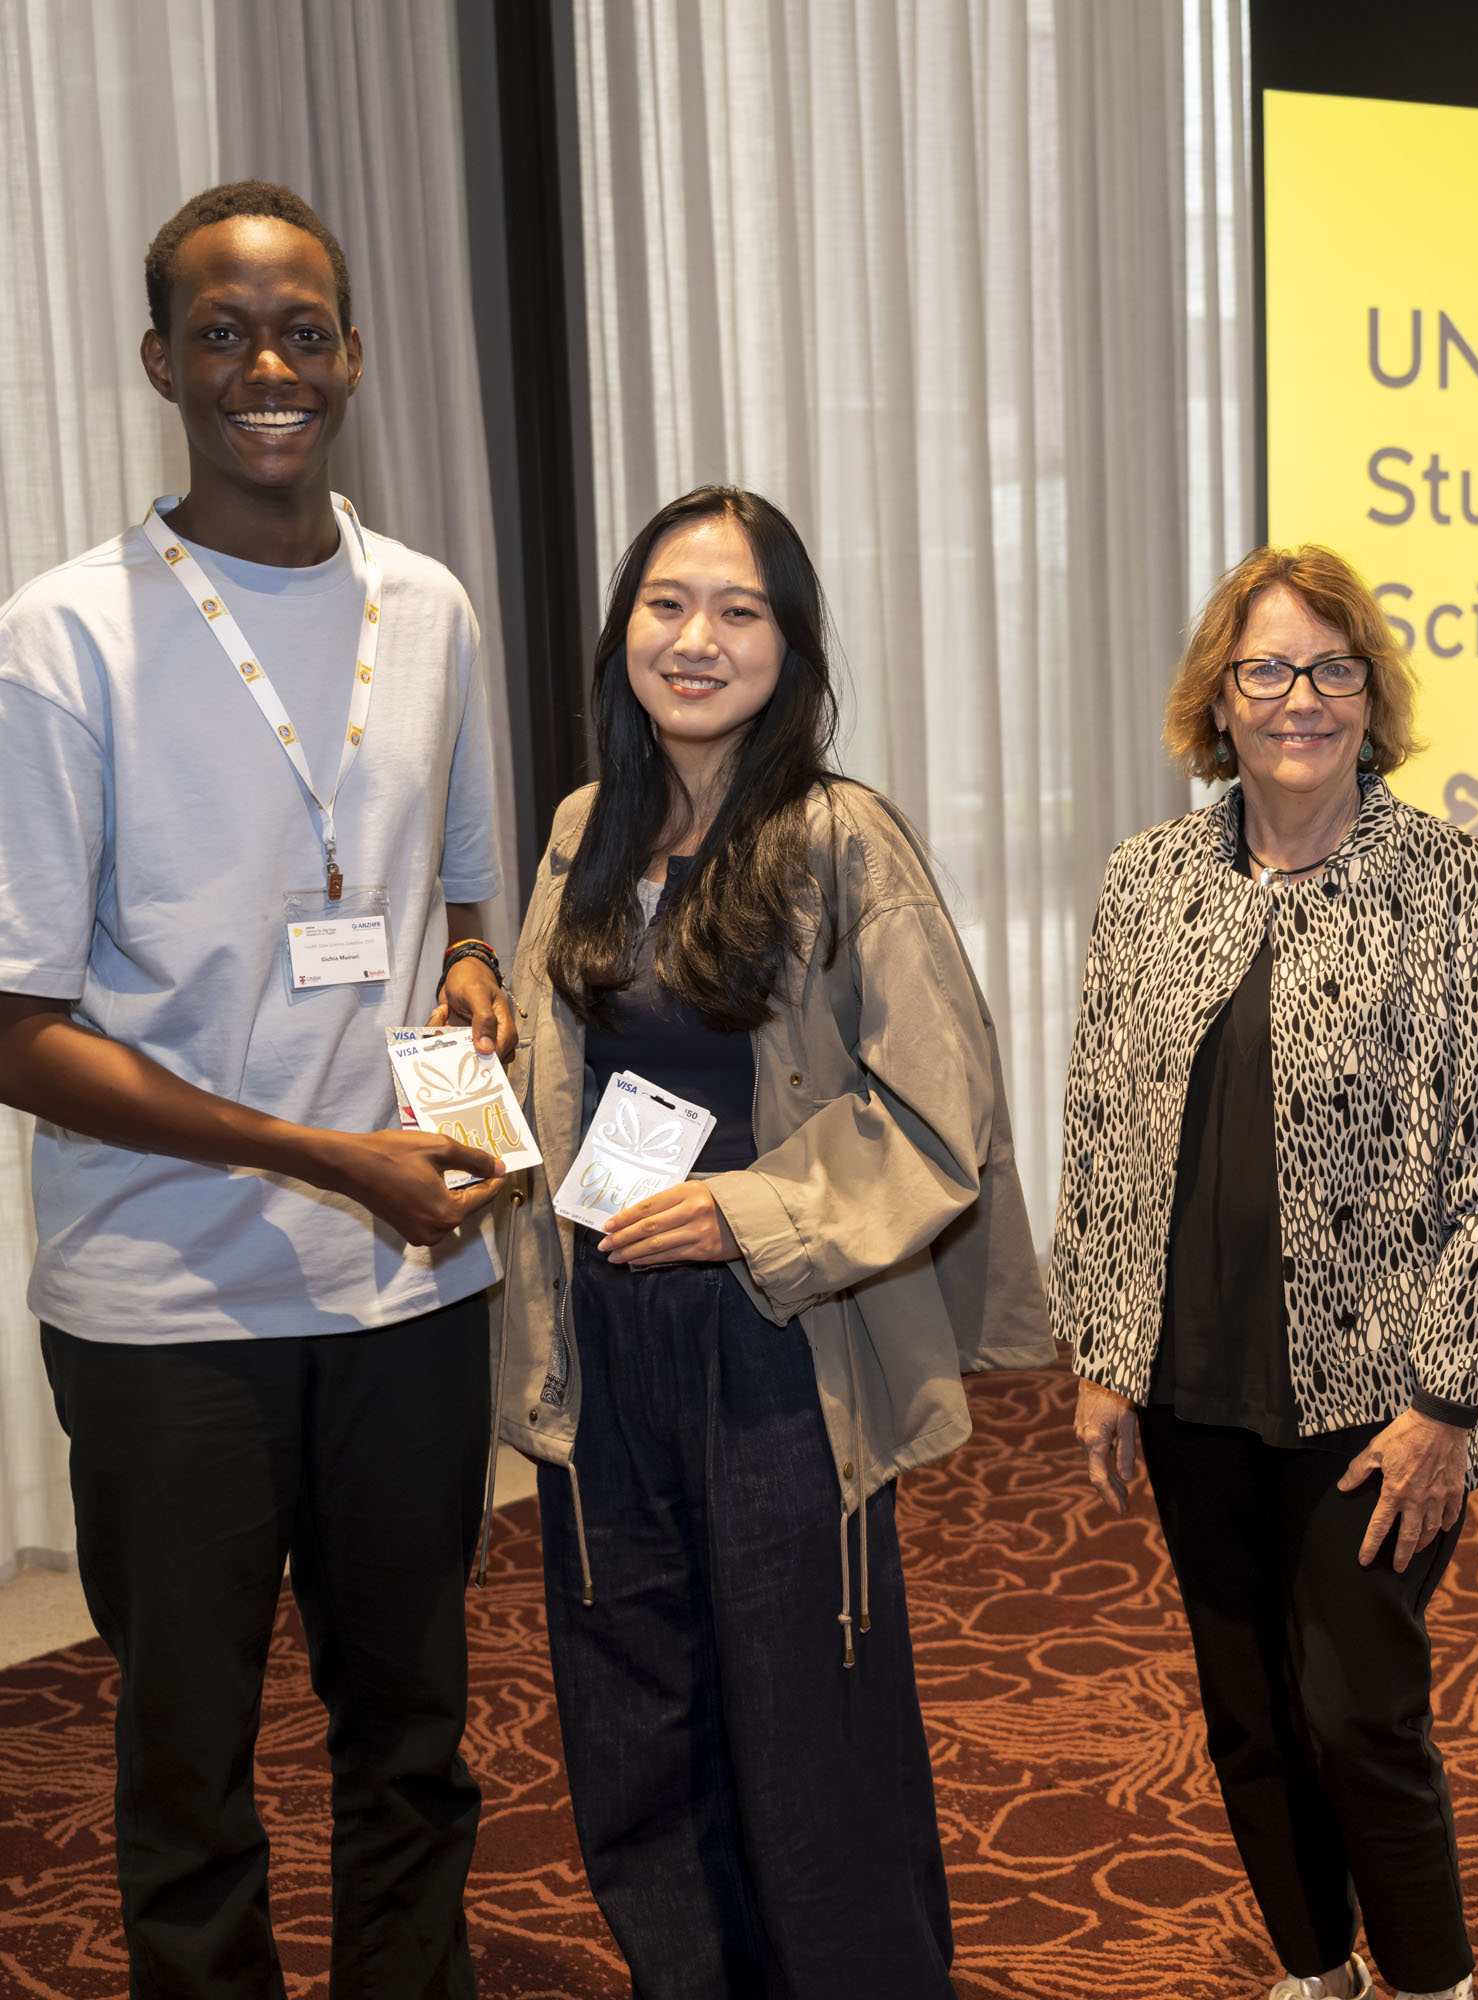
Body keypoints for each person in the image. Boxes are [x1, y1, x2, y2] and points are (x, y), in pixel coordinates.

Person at [0, 180, 515, 1997]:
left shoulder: (430, 606)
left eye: (305, 331)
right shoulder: (57, 643)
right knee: (192, 1762)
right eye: (228, 332)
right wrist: (322, 1157)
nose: (271, 367)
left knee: (412, 1730)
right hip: (167, 1300)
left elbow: (456, 904)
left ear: (351, 354)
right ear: (162, 361)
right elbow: (9, 1037)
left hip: (413, 1278)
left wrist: (472, 986)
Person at [489, 485, 1051, 1998]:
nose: (697, 638)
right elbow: (562, 1078)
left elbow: (946, 1112)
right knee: (637, 1747)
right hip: (601, 1361)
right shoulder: (578, 835)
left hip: (777, 1351)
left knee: (814, 1756)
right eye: (668, 603)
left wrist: (745, 1210)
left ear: (790, 648)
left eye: (741, 611)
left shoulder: (835, 837)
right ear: (622, 633)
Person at [1049, 545, 1478, 2000]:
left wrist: (1451, 1404)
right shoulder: (1148, 883)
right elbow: (1100, 1125)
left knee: (1356, 1715)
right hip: (1195, 1379)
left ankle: (1435, 1983)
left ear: (1372, 698)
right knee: (1248, 1711)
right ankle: (1317, 1968)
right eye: (1266, 668)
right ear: (1221, 697)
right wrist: (1101, 1353)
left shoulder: (1462, 890)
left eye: (1333, 668)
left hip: (1375, 1400)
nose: (1299, 698)